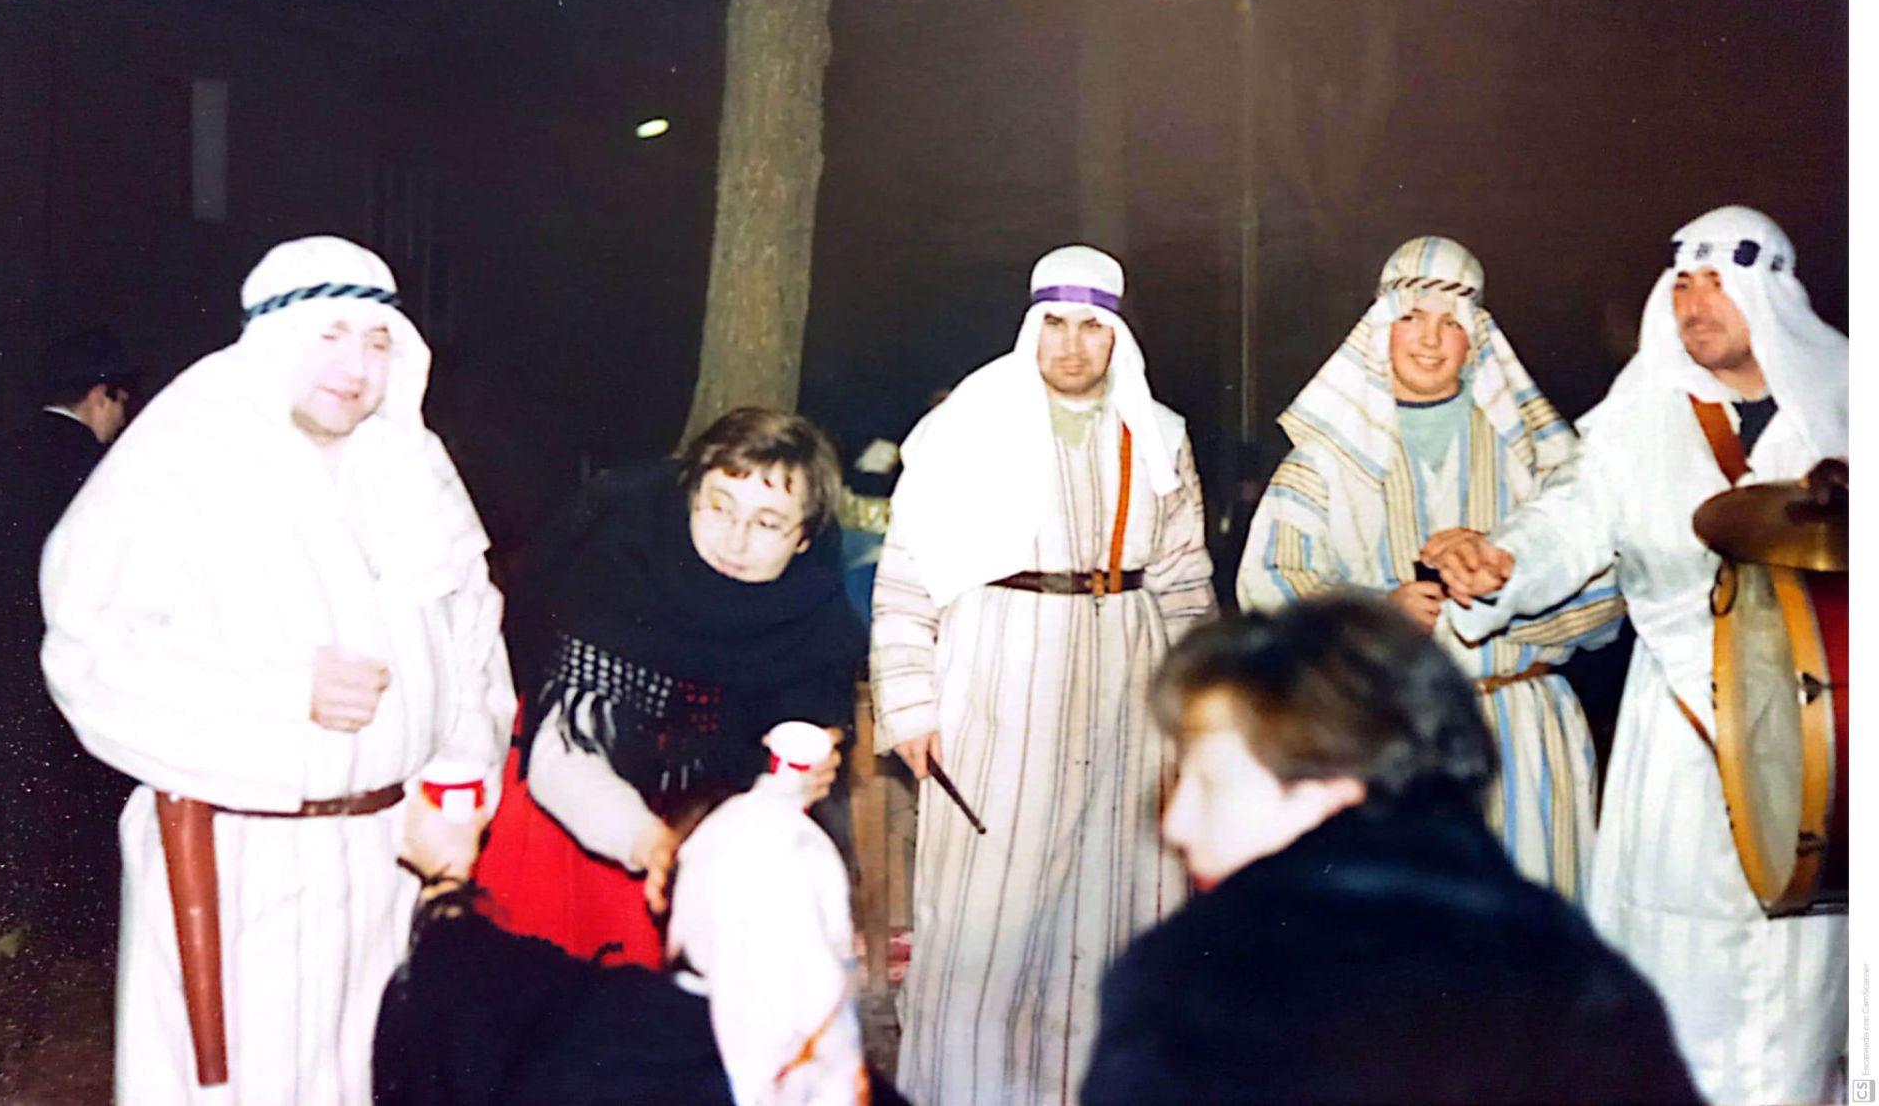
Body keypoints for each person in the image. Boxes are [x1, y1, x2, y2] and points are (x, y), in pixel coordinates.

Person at [40, 236, 515, 1106]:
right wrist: (280, 693)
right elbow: (92, 655)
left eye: (378, 342)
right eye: (331, 335)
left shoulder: (407, 465)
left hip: (391, 856)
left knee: (377, 1079)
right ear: (275, 337)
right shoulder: (178, 464)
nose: (358, 365)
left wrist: (455, 791)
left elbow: (471, 633)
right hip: (239, 859)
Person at [1430, 206, 1848, 1104]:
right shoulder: (1635, 421)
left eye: (1721, 284)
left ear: (1772, 292)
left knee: (1809, 984)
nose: (1697, 304)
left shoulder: (1853, 406)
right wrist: (1498, 564)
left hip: (1836, 744)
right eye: (1683, 284)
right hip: (1681, 738)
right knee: (1679, 969)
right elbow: (1563, 522)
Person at [1081, 596, 1700, 1106]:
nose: (1175, 821)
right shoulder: (1576, 967)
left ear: (1334, 789)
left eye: (1210, 783)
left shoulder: (1196, 983)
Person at [871, 244, 1216, 1106]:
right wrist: (910, 708)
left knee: (1114, 912)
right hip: (998, 688)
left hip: (1127, 694)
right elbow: (906, 582)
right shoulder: (966, 432)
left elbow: (1185, 586)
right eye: (1056, 323)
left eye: (1092, 326)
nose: (1072, 344)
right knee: (986, 924)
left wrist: (1200, 723)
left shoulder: (1160, 439)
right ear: (1031, 327)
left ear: (1117, 336)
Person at [1236, 237, 1623, 897]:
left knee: (1528, 943)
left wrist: (1511, 590)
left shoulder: (1541, 461)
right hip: (1378, 736)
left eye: (1452, 324)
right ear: (1381, 327)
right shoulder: (1321, 461)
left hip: (1521, 733)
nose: (1430, 340)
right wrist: (1377, 613)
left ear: (1477, 340)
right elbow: (1267, 590)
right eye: (1413, 317)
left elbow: (1609, 592)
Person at [472, 407, 862, 969]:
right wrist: (654, 846)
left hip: (718, 849)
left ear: (804, 539)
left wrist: (799, 783)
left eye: (768, 523)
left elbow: (794, 758)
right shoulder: (617, 573)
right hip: (585, 830)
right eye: (719, 508)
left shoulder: (813, 619)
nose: (736, 538)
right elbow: (564, 757)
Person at [378, 758, 894, 1106]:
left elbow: (474, 988)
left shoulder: (616, 1031)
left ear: (668, 898)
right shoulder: (857, 1081)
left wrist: (447, 880)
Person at [0, 326, 138, 956]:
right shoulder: (108, 475)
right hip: (71, 691)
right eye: (121, 403)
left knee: (6, 843)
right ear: (101, 395)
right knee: (78, 849)